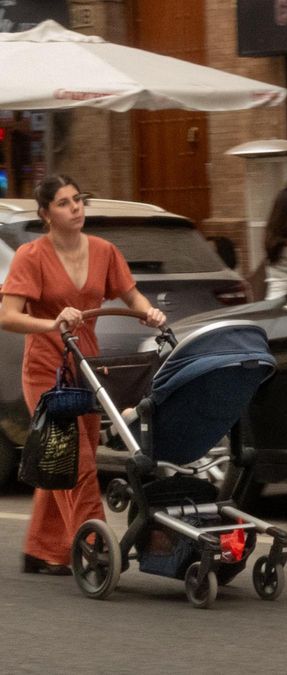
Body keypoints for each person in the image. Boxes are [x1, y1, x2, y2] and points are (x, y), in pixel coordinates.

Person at [0, 174, 166, 575]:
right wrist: (51, 323)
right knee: (78, 462)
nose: (76, 208)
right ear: (46, 214)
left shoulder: (104, 250)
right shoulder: (31, 256)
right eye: (64, 202)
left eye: (78, 199)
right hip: (46, 370)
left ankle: (42, 548)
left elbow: (130, 293)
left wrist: (149, 312)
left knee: (60, 460)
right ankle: (95, 546)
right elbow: (7, 316)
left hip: (88, 369)